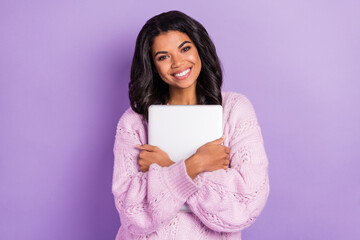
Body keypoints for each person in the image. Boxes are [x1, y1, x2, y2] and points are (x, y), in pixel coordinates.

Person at [112, 10, 270, 239]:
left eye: (185, 48)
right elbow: (131, 214)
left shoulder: (235, 110)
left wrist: (167, 166)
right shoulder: (134, 121)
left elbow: (247, 201)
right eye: (163, 56)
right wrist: (196, 164)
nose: (178, 62)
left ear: (199, 49)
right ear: (153, 65)